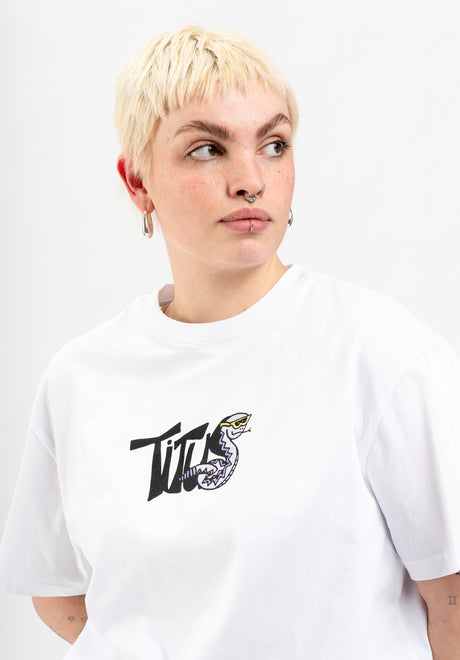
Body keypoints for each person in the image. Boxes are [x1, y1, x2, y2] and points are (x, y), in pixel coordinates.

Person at [1, 25, 460, 660]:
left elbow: (452, 604)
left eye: (274, 145)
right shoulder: (80, 377)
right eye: (206, 149)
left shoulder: (383, 355)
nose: (250, 179)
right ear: (137, 182)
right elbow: (59, 596)